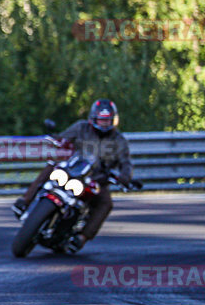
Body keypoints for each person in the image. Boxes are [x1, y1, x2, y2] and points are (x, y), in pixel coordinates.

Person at [12, 99, 133, 251]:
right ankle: (25, 201)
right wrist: (56, 140)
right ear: (93, 118)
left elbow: (126, 163)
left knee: (106, 203)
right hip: (73, 168)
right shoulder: (81, 127)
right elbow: (63, 139)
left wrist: (124, 176)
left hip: (96, 179)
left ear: (113, 120)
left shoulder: (119, 140)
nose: (104, 123)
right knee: (52, 166)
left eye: (107, 120)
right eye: (101, 120)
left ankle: (82, 237)